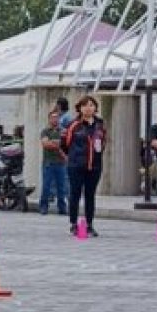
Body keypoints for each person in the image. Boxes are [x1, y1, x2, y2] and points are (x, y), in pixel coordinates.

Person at [61, 96, 106, 237]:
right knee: (75, 194)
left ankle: (89, 224)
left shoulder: (100, 124)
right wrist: (72, 157)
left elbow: (102, 143)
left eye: (91, 105)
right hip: (76, 165)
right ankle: (73, 223)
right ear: (80, 108)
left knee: (90, 195)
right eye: (85, 105)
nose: (88, 108)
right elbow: (64, 144)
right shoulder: (74, 125)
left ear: (95, 108)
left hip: (95, 166)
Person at [38, 109, 68, 215]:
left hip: (61, 163)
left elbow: (66, 144)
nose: (55, 119)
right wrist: (57, 144)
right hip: (48, 163)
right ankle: (43, 206)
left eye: (56, 117)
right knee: (46, 186)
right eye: (52, 117)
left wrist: (54, 143)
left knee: (62, 187)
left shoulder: (63, 131)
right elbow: (45, 144)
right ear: (49, 119)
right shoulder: (45, 131)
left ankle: (62, 207)